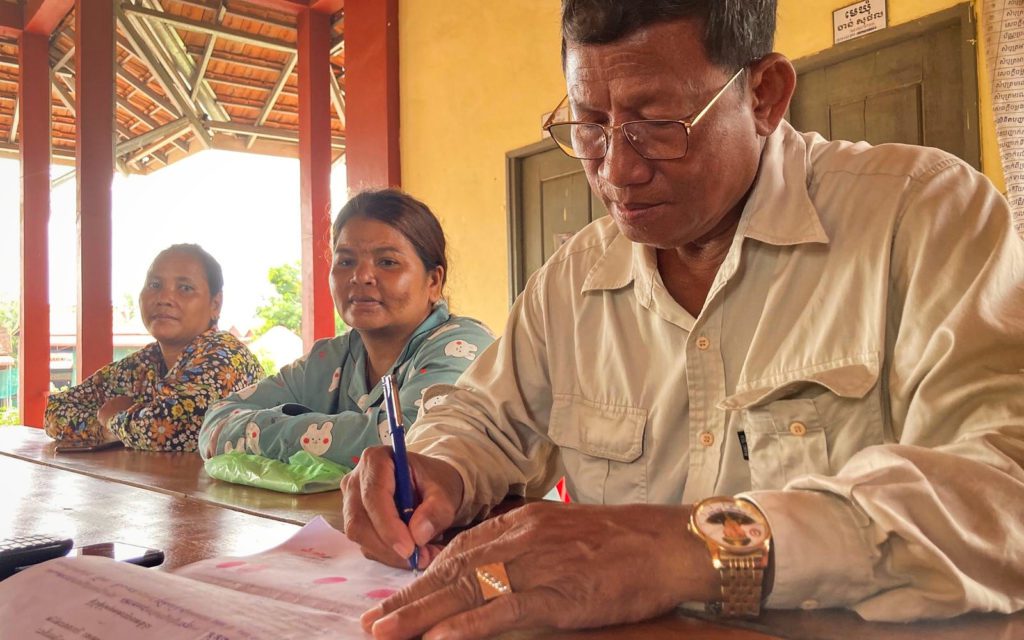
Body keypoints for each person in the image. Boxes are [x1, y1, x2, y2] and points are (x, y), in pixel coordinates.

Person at [339, 1, 1024, 638]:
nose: (617, 168)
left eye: (656, 126)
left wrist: (690, 546)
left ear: (765, 96)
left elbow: (1003, 492)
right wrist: (439, 470)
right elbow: (483, 419)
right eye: (589, 124)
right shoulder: (575, 278)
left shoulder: (923, 217)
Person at [198, 189, 494, 468]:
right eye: (346, 261)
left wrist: (276, 430)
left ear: (433, 282)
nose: (361, 276)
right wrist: (323, 434)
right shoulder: (329, 359)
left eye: (388, 262)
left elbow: (409, 444)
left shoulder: (463, 347)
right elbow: (217, 422)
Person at [44, 244, 264, 451]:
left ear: (215, 305)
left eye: (185, 288)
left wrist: (113, 419)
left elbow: (171, 427)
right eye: (155, 285)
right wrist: (113, 427)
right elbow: (55, 412)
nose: (164, 298)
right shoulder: (143, 364)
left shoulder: (226, 356)